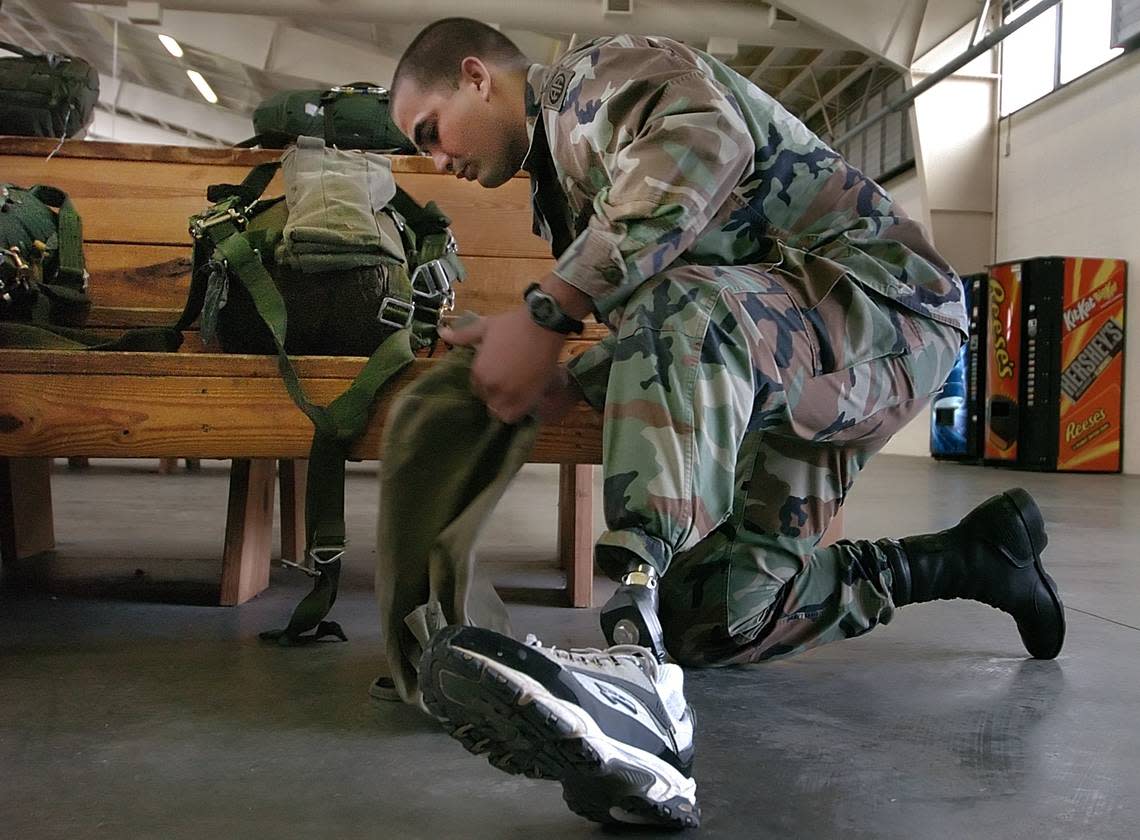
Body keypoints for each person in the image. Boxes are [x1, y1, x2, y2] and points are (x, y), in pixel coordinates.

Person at [389, 18, 1065, 830]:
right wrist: (572, 379)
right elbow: (683, 320)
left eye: (430, 133)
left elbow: (706, 145)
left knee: (691, 306)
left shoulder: (590, 86)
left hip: (883, 305)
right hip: (802, 346)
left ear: (476, 77)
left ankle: (636, 670)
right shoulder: (559, 181)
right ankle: (975, 559)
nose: (438, 164)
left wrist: (548, 310)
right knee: (717, 618)